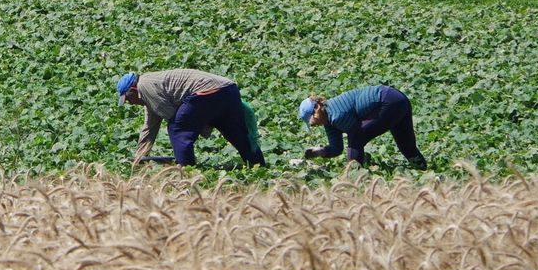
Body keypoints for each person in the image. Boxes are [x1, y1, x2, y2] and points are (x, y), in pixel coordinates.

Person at [117, 69, 265, 168]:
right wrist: (139, 157)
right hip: (228, 90)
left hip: (208, 93)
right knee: (236, 132)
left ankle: (187, 172)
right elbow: (150, 127)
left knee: (177, 128)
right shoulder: (149, 89)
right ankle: (259, 166)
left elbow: (172, 116)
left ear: (133, 90)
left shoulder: (144, 86)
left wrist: (201, 126)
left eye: (128, 99)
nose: (130, 103)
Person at [297, 84, 427, 169]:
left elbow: (355, 136)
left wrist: (351, 168)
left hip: (388, 101)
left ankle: (355, 178)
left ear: (317, 108)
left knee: (356, 138)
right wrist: (318, 151)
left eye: (313, 120)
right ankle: (424, 172)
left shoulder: (336, 114)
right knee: (406, 145)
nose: (315, 124)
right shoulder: (329, 121)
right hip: (398, 99)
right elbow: (337, 148)